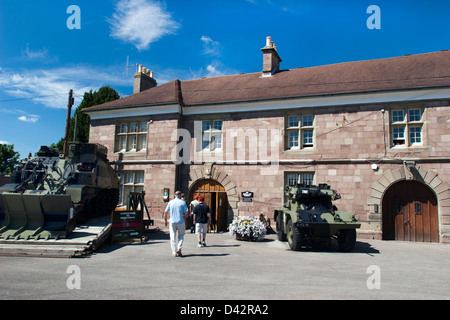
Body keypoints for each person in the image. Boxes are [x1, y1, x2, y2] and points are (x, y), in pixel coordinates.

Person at [164, 191, 189, 257]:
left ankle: (174, 252)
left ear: (175, 195)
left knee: (172, 236)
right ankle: (179, 248)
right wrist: (185, 219)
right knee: (181, 235)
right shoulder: (183, 202)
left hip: (172, 221)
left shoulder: (171, 202)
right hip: (180, 221)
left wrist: (165, 220)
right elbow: (186, 212)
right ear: (180, 196)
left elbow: (165, 212)